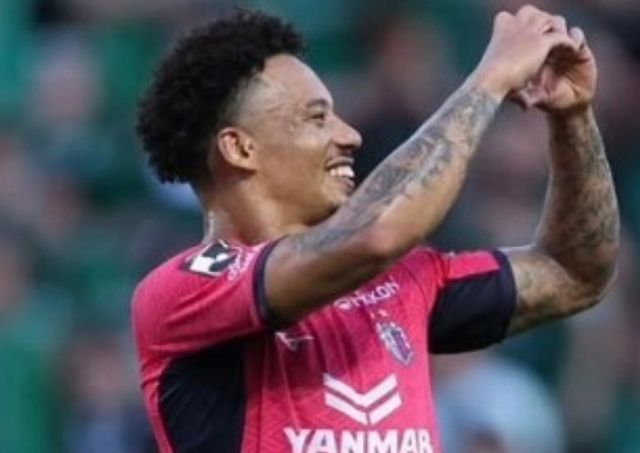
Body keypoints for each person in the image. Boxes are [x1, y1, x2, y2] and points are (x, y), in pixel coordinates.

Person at [132, 6, 619, 453]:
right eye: (317, 118)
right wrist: (490, 79)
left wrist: (572, 118)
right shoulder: (185, 291)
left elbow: (573, 272)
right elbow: (375, 235)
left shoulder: (401, 281)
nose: (349, 135)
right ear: (240, 149)